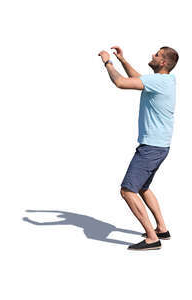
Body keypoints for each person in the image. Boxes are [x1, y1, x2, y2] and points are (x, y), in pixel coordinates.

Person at [98, 46, 179, 250]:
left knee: (127, 190)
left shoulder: (158, 81)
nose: (153, 55)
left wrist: (108, 62)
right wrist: (123, 60)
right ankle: (161, 228)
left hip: (151, 147)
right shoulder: (165, 80)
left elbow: (121, 82)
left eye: (157, 55)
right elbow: (139, 78)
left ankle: (152, 239)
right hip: (160, 146)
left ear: (162, 63)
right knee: (142, 187)